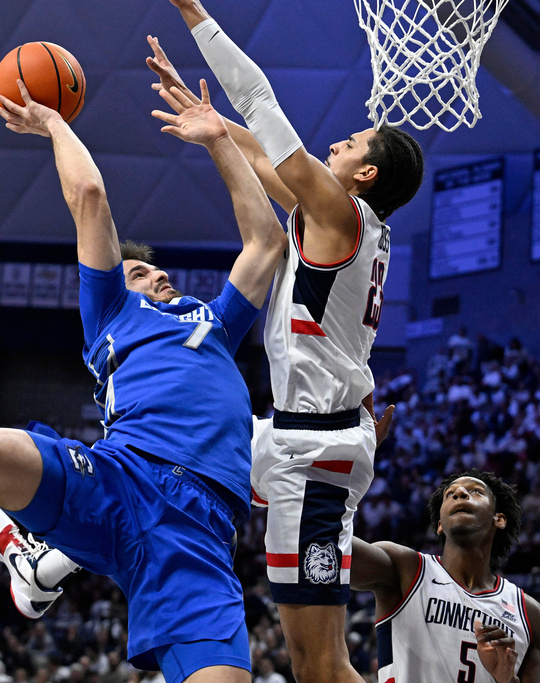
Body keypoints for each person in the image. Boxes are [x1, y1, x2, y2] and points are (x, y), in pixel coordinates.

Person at [0, 77, 287, 683]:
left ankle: (40, 557)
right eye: (142, 271)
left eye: (160, 269)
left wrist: (220, 137)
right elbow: (89, 195)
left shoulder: (213, 322)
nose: (160, 276)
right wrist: (55, 123)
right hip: (122, 477)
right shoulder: (112, 311)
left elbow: (267, 240)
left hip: (200, 533)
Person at [154, 2, 424, 681]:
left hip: (312, 453)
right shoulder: (335, 217)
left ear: (365, 175)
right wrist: (219, 131)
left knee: (321, 668)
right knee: (170, 439)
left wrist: (194, 14)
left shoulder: (341, 212)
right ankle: (57, 550)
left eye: (352, 144)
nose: (337, 142)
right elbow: (265, 153)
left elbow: (265, 110)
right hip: (306, 436)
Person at [350, 469, 540, 682]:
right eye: (451, 494)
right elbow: (331, 552)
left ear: (499, 519)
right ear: (439, 525)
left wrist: (507, 680)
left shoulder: (530, 615)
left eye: (475, 491)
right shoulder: (405, 568)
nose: (460, 493)